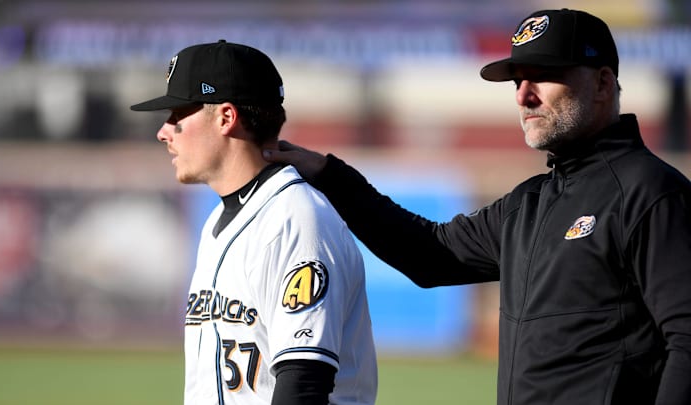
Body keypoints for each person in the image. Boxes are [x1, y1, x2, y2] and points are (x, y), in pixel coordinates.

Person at [263, 9, 691, 405]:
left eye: (543, 76)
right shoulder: (530, 202)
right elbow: (428, 254)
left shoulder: (652, 192)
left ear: (601, 83)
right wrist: (330, 176)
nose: (524, 96)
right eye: (518, 80)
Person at [130, 40, 377, 405]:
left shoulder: (295, 218)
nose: (164, 131)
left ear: (226, 117)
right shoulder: (218, 221)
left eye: (177, 115)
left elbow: (303, 383)